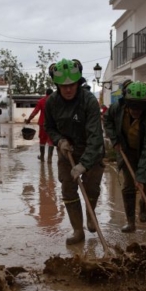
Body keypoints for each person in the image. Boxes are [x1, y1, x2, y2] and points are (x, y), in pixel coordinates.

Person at [44, 59, 105, 245]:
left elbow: (96, 137)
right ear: (57, 85)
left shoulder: (89, 101)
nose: (68, 89)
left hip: (91, 151)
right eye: (64, 86)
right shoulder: (52, 102)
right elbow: (49, 126)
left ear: (78, 83)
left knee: (91, 188)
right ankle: (78, 231)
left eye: (72, 85)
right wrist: (59, 140)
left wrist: (84, 164)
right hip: (67, 152)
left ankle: (90, 213)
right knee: (68, 189)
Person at [104, 81, 146, 233]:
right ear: (126, 102)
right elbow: (107, 120)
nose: (136, 110)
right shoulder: (117, 108)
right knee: (129, 187)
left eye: (140, 107)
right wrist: (114, 139)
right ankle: (131, 222)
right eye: (133, 106)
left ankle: (144, 202)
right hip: (127, 151)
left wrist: (142, 176)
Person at [25, 88, 54, 162]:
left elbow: (35, 112)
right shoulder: (56, 102)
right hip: (53, 125)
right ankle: (49, 159)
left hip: (43, 124)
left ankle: (42, 157)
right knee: (51, 141)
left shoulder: (41, 101)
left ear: (46, 93)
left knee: (42, 140)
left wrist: (28, 120)